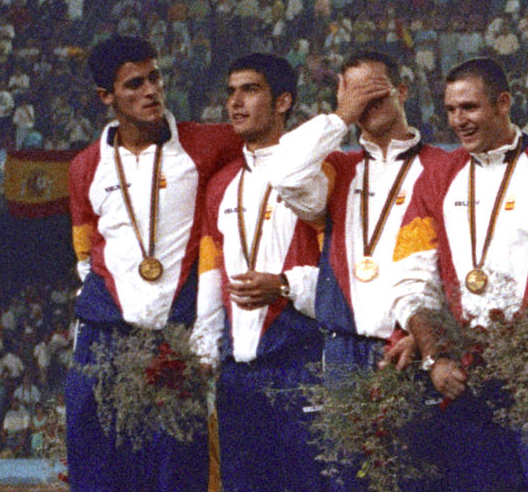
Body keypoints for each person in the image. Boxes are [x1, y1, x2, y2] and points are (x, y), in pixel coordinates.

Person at [391, 57, 528, 492]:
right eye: (450, 110)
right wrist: (434, 357)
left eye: (469, 108)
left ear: (503, 103)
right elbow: (412, 277)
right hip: (463, 378)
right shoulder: (436, 177)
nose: (458, 121)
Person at [266, 49, 450, 491]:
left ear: (402, 92)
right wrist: (338, 118)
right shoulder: (337, 169)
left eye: (375, 94)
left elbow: (454, 262)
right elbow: (284, 173)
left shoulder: (444, 166)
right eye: (353, 96)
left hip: (409, 349)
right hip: (345, 352)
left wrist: (427, 331)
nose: (365, 107)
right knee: (348, 481)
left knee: (419, 480)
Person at [66, 35, 242, 492]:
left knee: (176, 470)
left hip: (175, 334)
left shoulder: (208, 144)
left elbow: (273, 147)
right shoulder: (86, 166)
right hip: (104, 335)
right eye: (134, 84)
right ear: (106, 97)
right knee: (98, 470)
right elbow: (84, 248)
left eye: (155, 77)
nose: (151, 91)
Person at [190, 53, 327, 492]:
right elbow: (211, 277)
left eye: (250, 89)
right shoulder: (220, 183)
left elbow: (342, 273)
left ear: (283, 101)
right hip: (237, 373)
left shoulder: (320, 173)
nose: (235, 102)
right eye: (231, 92)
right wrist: (203, 354)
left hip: (299, 358)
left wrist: (286, 286)